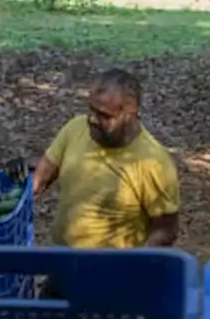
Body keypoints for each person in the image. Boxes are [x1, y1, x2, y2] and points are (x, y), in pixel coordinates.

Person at [28, 68, 180, 252]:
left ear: (130, 112)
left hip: (113, 272)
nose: (92, 119)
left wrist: (137, 263)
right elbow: (43, 174)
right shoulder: (75, 128)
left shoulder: (153, 163)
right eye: (91, 110)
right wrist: (20, 184)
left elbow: (166, 230)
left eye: (104, 115)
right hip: (62, 260)